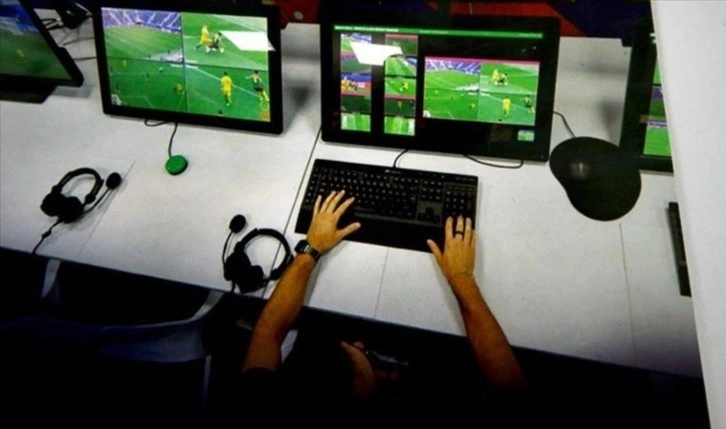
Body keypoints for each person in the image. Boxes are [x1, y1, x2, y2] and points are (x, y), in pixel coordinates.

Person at [238, 190, 525, 415]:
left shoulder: (259, 403)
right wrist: (462, 278)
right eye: (360, 356)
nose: (359, 343)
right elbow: (510, 387)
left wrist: (311, 248)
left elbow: (266, 333)